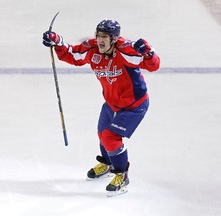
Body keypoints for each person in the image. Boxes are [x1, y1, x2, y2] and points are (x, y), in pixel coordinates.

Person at [42, 19, 160, 196]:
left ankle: (122, 175)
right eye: (98, 35)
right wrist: (58, 42)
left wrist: (149, 53)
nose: (99, 40)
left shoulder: (127, 51)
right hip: (111, 103)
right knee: (102, 133)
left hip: (133, 106)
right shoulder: (92, 49)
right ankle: (108, 162)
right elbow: (72, 54)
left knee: (110, 137)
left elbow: (154, 65)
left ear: (114, 39)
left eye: (104, 36)